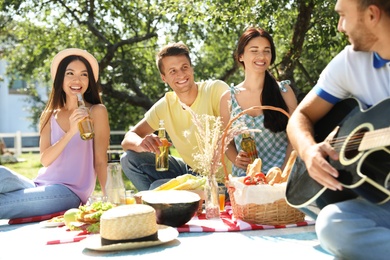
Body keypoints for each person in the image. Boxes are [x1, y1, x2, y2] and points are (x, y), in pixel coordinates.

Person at [286, 0, 390, 258]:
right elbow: (300, 116)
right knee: (332, 224)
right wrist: (309, 152)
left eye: (343, 16)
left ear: (372, 15)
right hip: (380, 200)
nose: (339, 27)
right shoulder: (349, 63)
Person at [0, 48, 110, 219]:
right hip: (39, 185)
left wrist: (109, 200)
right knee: (2, 173)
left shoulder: (96, 111)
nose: (77, 79)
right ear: (61, 78)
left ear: (89, 80)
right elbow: (45, 160)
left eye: (84, 74)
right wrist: (71, 131)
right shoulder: (49, 115)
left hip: (69, 192)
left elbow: (101, 161)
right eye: (70, 73)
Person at [120, 42, 229, 191]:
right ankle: (155, 205)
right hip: (190, 171)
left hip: (223, 180)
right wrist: (142, 143)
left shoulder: (216, 89)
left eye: (184, 67)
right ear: (163, 77)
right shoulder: (165, 105)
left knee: (157, 187)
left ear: (192, 69)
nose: (181, 74)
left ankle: (158, 202)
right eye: (172, 71)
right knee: (128, 159)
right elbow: (128, 138)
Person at [220, 27, 298, 177]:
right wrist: (236, 159)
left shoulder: (284, 91)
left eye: (266, 51)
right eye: (254, 50)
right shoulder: (228, 98)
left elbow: (294, 137)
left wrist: (281, 174)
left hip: (281, 176)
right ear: (241, 56)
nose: (261, 56)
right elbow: (226, 142)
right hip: (245, 179)